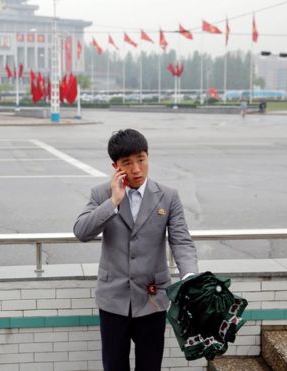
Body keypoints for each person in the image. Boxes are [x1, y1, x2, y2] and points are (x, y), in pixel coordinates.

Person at [74, 129, 198, 371]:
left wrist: (190, 276)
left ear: (148, 156)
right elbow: (81, 231)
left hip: (152, 298)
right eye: (127, 163)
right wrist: (113, 201)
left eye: (141, 160)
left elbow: (181, 241)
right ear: (116, 166)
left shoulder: (168, 196)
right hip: (113, 300)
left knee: (150, 367)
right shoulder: (101, 193)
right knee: (114, 366)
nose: (137, 169)